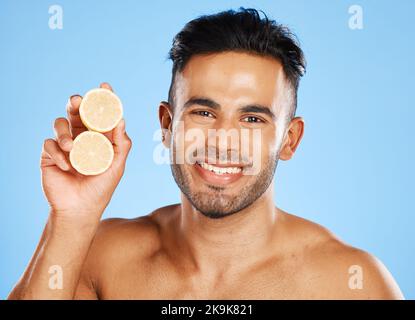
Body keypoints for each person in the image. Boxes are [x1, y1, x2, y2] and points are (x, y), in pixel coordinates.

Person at [8, 8, 403, 299]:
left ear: (289, 140)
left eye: (252, 119)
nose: (224, 140)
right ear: (167, 125)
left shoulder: (350, 282)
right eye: (203, 112)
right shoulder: (101, 256)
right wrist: (72, 218)